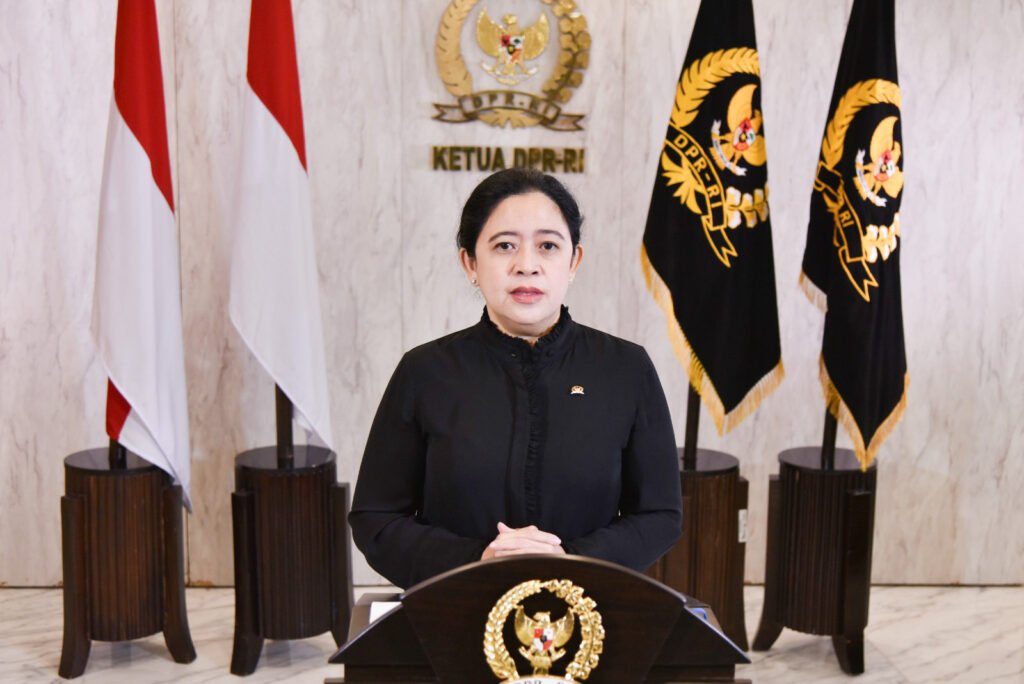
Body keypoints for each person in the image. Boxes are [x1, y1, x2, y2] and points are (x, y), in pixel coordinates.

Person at [349, 168, 683, 589]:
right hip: (457, 605)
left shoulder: (626, 369)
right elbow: (377, 519)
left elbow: (659, 515)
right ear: (470, 263)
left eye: (548, 246)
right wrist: (479, 560)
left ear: (574, 261)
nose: (527, 266)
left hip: (590, 609)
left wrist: (570, 561)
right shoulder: (424, 372)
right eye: (504, 245)